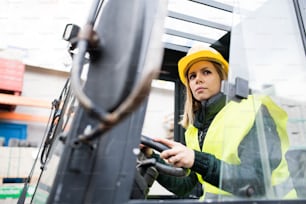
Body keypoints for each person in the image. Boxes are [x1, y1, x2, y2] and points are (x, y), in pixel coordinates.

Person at [142, 44, 297, 200]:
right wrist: (151, 156)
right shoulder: (195, 130)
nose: (198, 80)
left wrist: (196, 159)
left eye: (206, 72)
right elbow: (185, 185)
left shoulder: (252, 111)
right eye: (192, 76)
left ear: (222, 77)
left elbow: (255, 181)